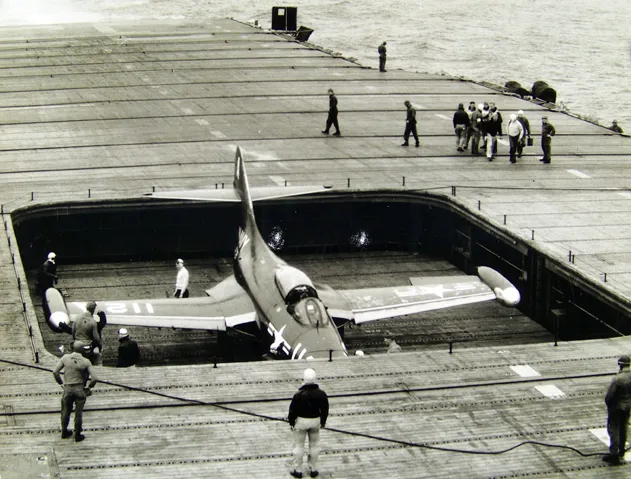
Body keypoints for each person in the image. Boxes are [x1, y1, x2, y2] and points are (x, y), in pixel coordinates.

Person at [52, 341, 98, 442]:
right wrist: (88, 388)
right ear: (82, 350)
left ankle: (64, 432)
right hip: (80, 389)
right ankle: (77, 434)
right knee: (78, 413)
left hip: (68, 388)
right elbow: (94, 378)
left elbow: (55, 372)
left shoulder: (65, 358)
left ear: (73, 348)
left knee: (65, 411)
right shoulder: (86, 361)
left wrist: (61, 384)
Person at [288, 368, 329, 478]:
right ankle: (313, 469)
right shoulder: (321, 394)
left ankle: (298, 470)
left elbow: (292, 410)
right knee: (314, 445)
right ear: (314, 379)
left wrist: (291, 422)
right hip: (315, 421)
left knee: (298, 446)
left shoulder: (299, 394)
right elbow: (325, 409)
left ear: (304, 379)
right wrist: (323, 422)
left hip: (301, 422)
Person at [603, 355, 631, 465]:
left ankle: (614, 454)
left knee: (614, 429)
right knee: (624, 428)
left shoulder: (618, 379)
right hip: (628, 406)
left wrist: (609, 405)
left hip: (616, 407)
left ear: (620, 365)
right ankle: (621, 451)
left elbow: (609, 396)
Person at [72, 301, 103, 365]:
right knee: (92, 362)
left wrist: (75, 340)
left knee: (78, 363)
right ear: (94, 309)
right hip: (86, 346)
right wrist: (100, 347)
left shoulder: (77, 317)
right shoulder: (92, 321)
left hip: (77, 344)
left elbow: (73, 331)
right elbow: (96, 338)